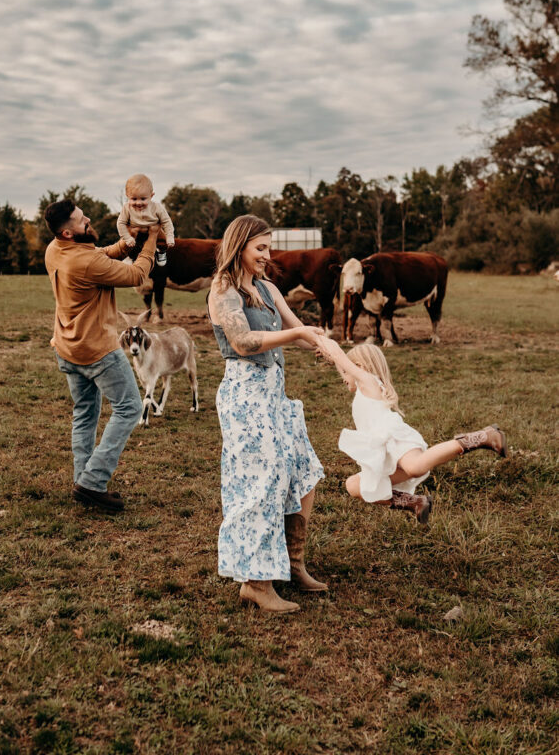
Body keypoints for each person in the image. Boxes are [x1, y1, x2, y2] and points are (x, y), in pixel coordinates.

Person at [207, 215, 327, 614]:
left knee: (303, 470)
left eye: (268, 247)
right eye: (260, 248)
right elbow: (243, 342)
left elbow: (303, 331)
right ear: (239, 246)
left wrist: (341, 355)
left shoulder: (268, 288)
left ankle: (292, 565)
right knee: (260, 482)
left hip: (274, 392)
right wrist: (297, 335)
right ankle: (256, 583)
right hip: (245, 395)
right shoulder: (223, 292)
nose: (267, 255)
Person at [44, 198, 159, 512]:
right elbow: (137, 275)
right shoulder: (85, 263)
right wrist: (151, 241)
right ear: (68, 233)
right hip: (96, 351)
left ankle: (83, 481)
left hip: (67, 347)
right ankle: (93, 481)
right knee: (129, 408)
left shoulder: (55, 249)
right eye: (82, 220)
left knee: (84, 414)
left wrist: (125, 244)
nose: (88, 220)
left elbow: (97, 254)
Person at [315, 338, 508, 523]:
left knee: (415, 467)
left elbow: (340, 356)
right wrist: (334, 360)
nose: (342, 377)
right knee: (355, 486)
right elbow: (341, 361)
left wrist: (323, 344)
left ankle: (484, 436)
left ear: (359, 367)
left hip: (394, 438)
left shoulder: (368, 382)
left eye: (345, 372)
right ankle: (415, 502)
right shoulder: (364, 386)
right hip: (384, 452)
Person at [116, 174, 175, 267]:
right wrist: (127, 237)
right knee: (129, 246)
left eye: (143, 199)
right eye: (134, 199)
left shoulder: (157, 207)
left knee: (163, 242)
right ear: (127, 196)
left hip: (154, 229)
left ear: (151, 196)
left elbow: (166, 222)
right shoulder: (126, 208)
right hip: (135, 231)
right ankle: (126, 258)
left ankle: (161, 253)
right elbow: (121, 223)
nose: (139, 203)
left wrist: (170, 236)